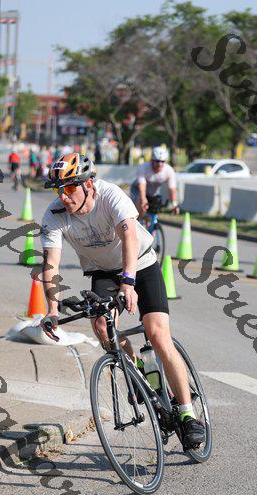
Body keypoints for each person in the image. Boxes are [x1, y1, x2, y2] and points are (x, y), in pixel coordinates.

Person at [39, 153, 205, 450]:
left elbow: (129, 237)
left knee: (157, 334)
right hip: (103, 271)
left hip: (141, 263)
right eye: (58, 190)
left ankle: (188, 414)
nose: (63, 196)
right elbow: (50, 264)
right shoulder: (54, 215)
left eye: (69, 188)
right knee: (102, 327)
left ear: (88, 184)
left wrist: (129, 282)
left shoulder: (110, 195)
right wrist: (52, 310)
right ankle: (139, 372)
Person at [130, 146, 180, 218]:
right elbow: (141, 185)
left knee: (153, 210)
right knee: (141, 206)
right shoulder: (143, 167)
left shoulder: (169, 170)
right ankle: (135, 221)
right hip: (137, 190)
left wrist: (174, 204)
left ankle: (148, 222)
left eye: (162, 161)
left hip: (153, 192)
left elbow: (172, 189)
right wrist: (143, 198)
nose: (160, 164)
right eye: (157, 161)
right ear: (152, 160)